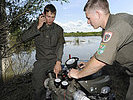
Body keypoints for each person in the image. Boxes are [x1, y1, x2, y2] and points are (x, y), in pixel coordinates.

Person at [68, 0, 133, 100]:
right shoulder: (108, 26)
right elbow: (102, 51)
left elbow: (100, 61)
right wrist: (88, 63)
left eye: (88, 18)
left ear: (98, 14)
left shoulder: (116, 28)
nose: (87, 22)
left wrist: (78, 74)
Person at [20, 4, 65, 100]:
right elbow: (23, 38)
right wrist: (38, 26)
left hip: (54, 61)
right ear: (43, 15)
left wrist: (58, 62)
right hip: (41, 62)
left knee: (58, 88)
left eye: (53, 17)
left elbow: (60, 46)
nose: (50, 20)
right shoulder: (36, 26)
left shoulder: (59, 29)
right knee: (38, 90)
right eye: (48, 16)